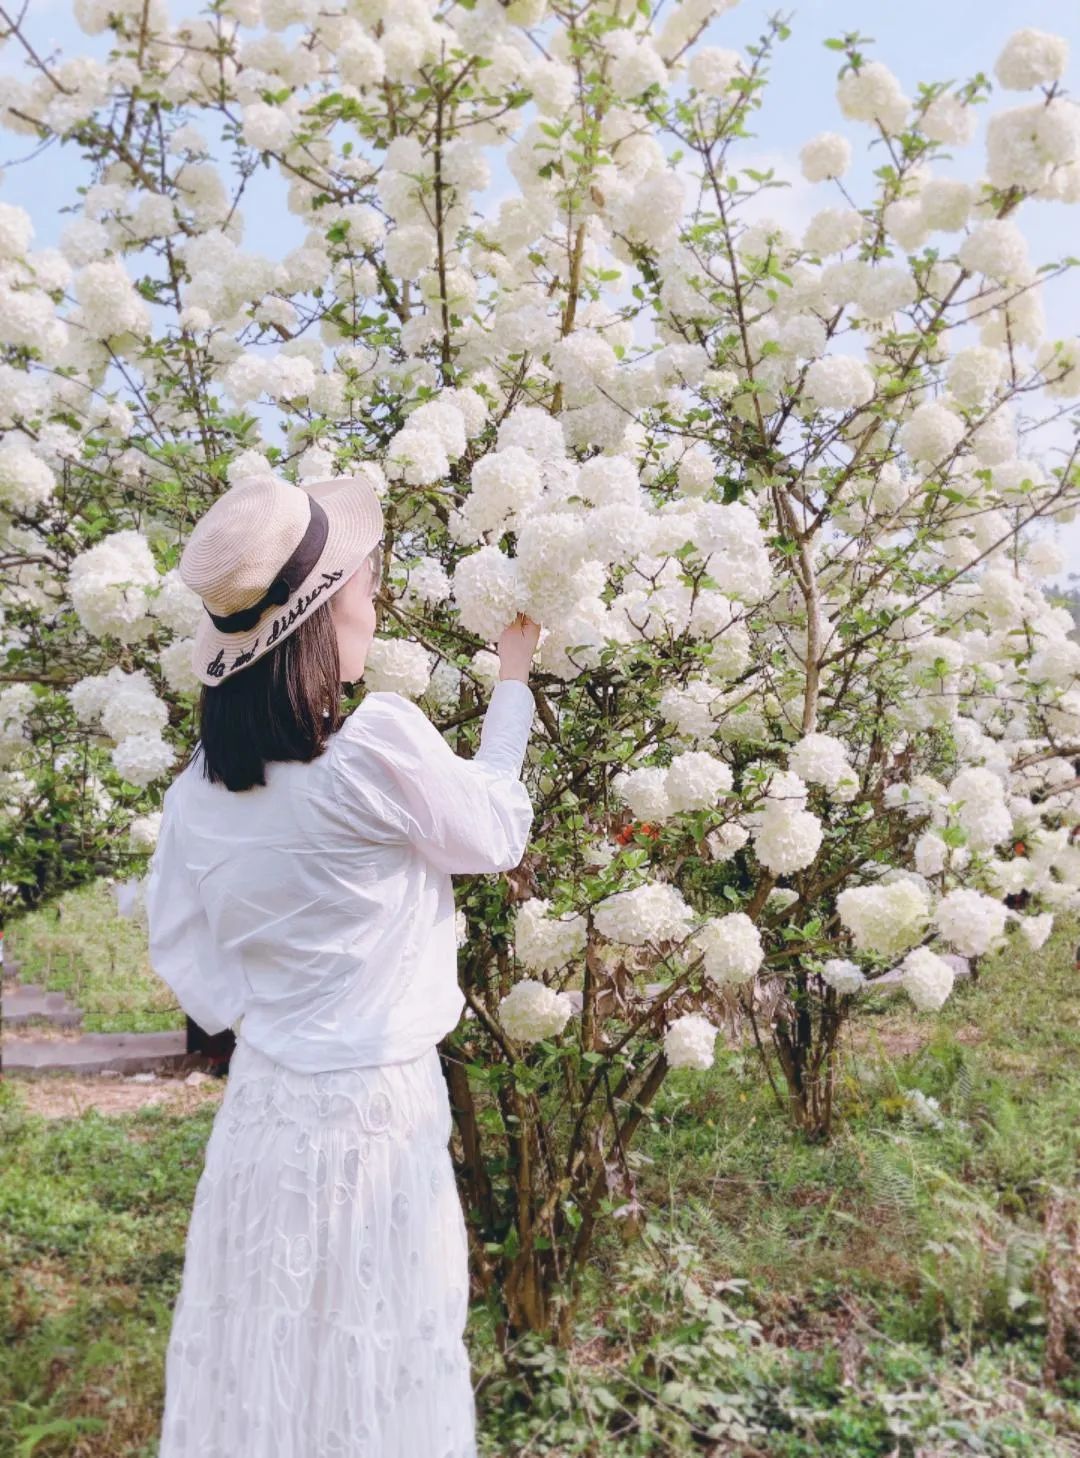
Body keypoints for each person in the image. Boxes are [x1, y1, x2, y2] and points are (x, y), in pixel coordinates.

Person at [144, 471, 541, 1458]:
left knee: (263, 1369)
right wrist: (514, 682)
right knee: (381, 1361)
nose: (374, 596)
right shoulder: (375, 750)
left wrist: (286, 1014)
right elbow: (492, 829)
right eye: (362, 581)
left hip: (266, 1112)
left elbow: (188, 956)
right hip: (381, 1115)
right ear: (322, 616)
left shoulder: (197, 794)